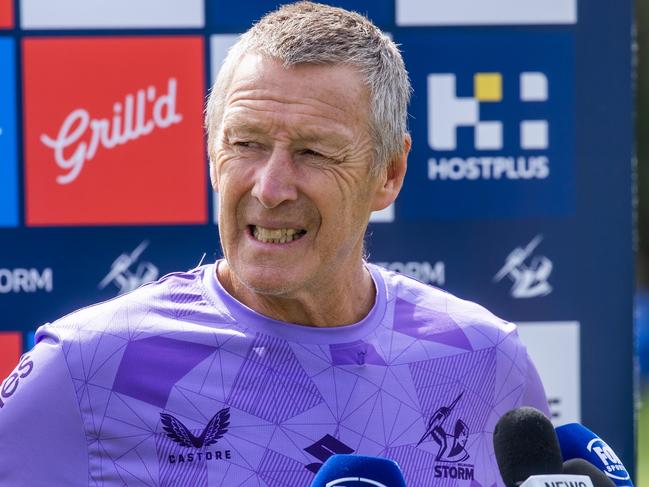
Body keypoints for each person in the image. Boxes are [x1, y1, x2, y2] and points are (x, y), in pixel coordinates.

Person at [0, 3, 549, 485]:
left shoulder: (488, 357)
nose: (271, 187)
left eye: (313, 151)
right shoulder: (80, 368)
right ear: (214, 155)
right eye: (246, 143)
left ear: (390, 172)